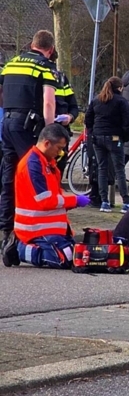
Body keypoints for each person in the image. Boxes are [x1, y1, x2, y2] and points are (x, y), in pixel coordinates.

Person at [0, 31, 61, 262]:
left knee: (8, 178)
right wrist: (49, 130)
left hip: (7, 123)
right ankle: (20, 237)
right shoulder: (45, 66)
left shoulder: (11, 63)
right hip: (27, 126)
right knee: (31, 176)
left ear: (31, 44)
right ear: (51, 48)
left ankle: (5, 231)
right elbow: (48, 101)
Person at [7, 123, 90, 268]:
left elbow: (52, 197)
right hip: (34, 229)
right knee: (65, 258)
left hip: (48, 228)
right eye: (59, 148)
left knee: (78, 256)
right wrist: (74, 200)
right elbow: (46, 201)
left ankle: (23, 246)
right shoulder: (33, 165)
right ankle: (19, 249)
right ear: (47, 143)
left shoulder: (45, 162)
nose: (60, 153)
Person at [85, 77, 129, 214]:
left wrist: (93, 133)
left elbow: (88, 119)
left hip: (98, 137)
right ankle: (126, 202)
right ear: (119, 88)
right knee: (119, 170)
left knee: (102, 169)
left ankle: (104, 202)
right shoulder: (121, 102)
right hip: (114, 138)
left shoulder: (96, 100)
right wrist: (125, 137)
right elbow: (128, 121)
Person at [52, 63, 79, 175]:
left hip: (61, 131)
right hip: (41, 132)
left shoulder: (61, 79)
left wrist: (70, 117)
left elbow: (73, 106)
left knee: (60, 167)